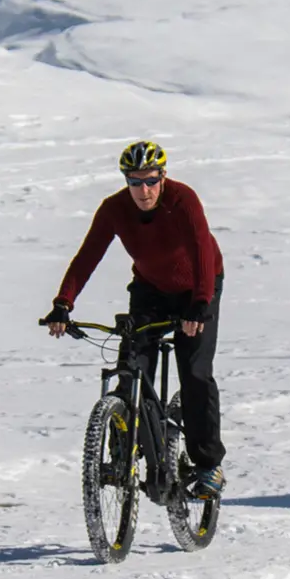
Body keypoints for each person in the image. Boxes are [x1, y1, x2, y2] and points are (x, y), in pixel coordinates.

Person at [45, 140, 227, 497]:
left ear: (163, 177)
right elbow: (88, 256)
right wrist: (63, 303)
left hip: (197, 289)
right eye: (134, 182)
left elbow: (202, 250)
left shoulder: (182, 200)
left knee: (194, 372)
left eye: (150, 181)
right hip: (150, 290)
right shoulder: (114, 209)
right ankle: (121, 454)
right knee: (130, 371)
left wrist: (201, 303)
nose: (143, 190)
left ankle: (208, 465)